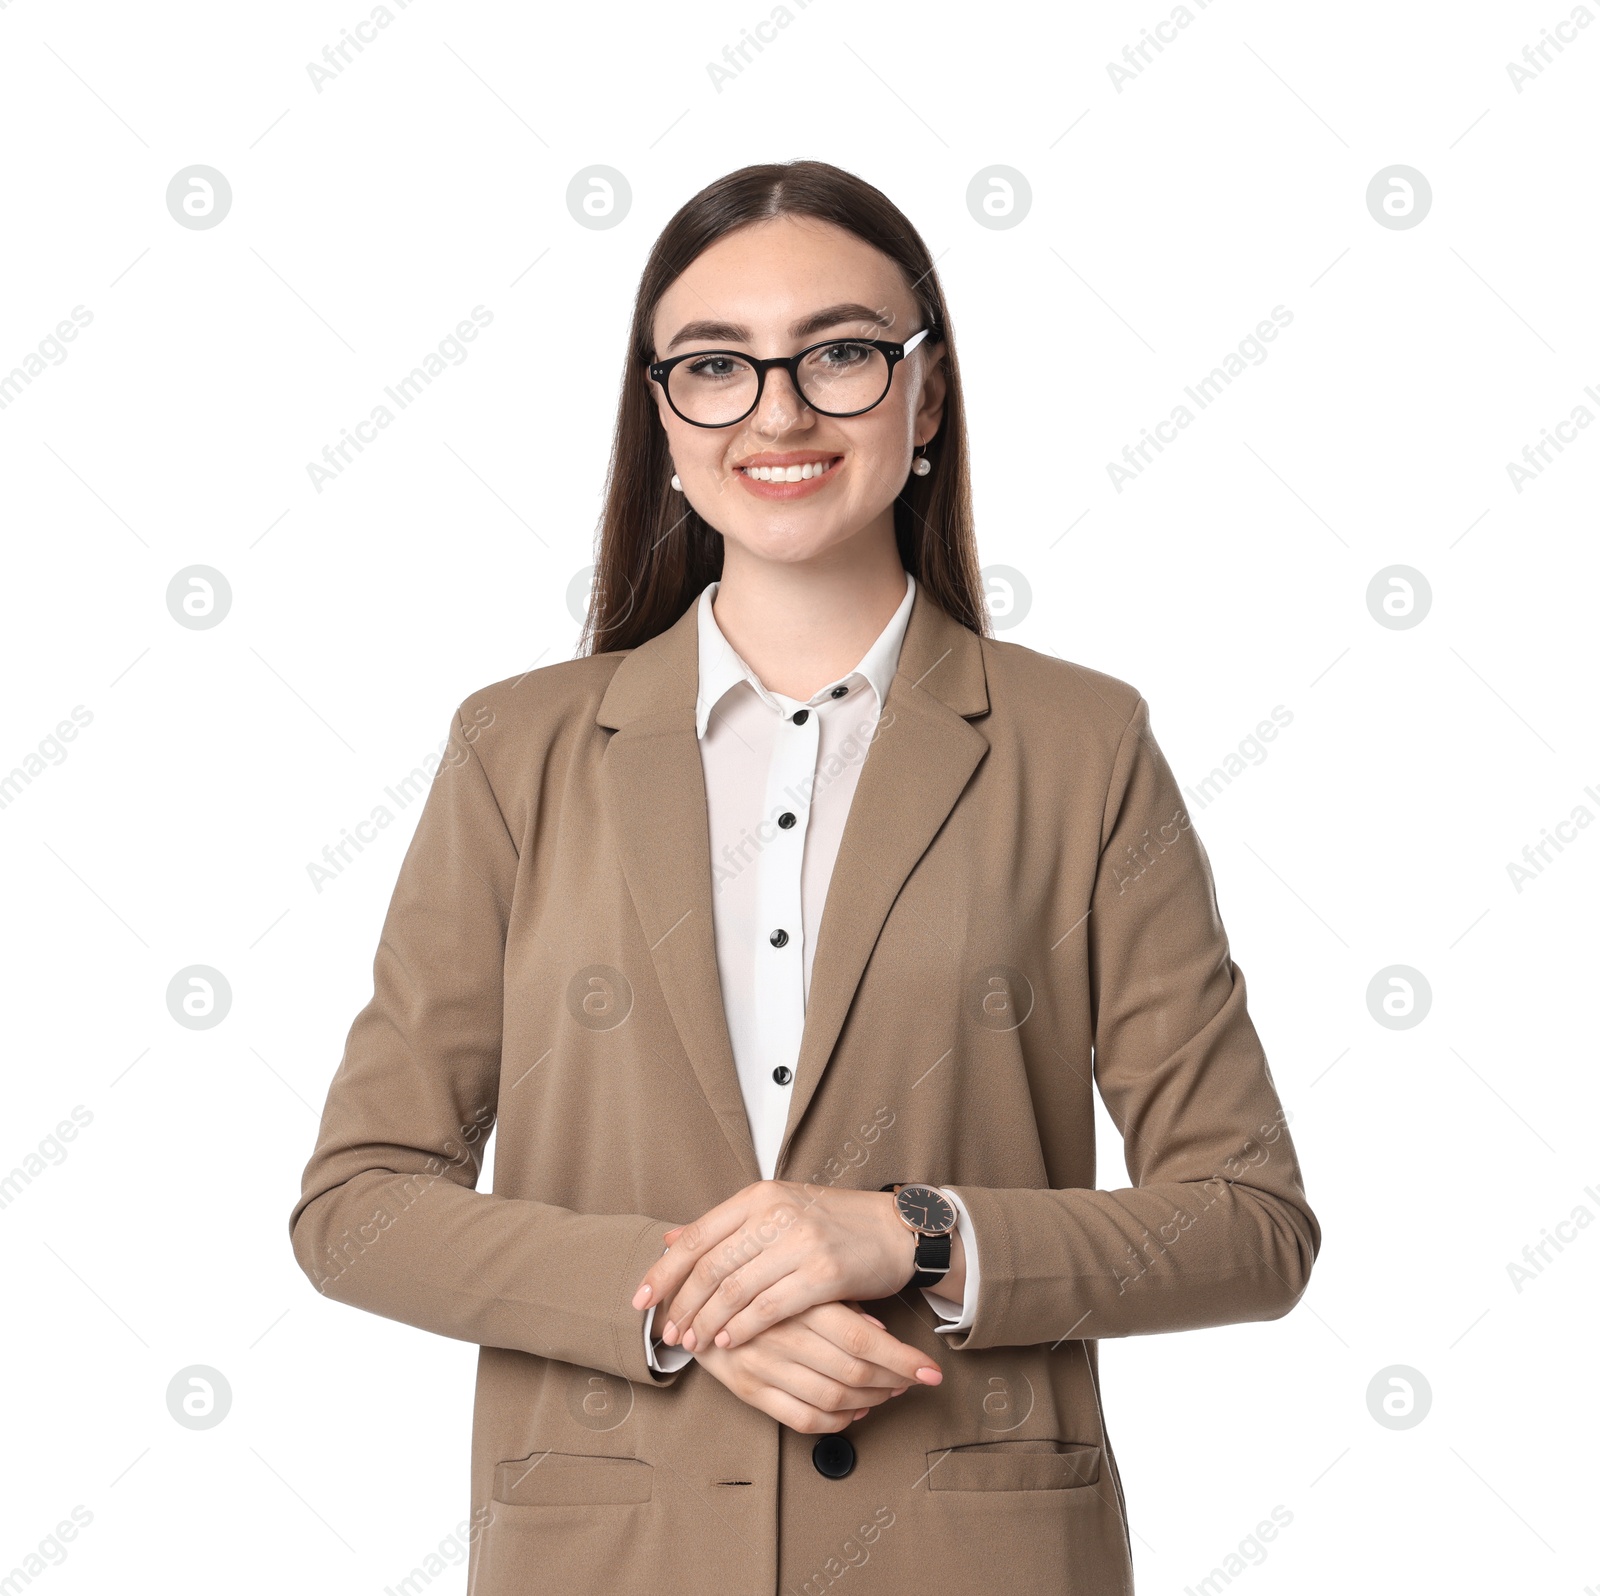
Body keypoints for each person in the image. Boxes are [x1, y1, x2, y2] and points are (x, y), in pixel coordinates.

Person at [290, 159, 1320, 1596]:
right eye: (715, 366)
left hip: (974, 1555)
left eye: (839, 354)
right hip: (611, 1551)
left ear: (928, 395)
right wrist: (690, 1302)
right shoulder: (515, 751)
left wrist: (911, 1235)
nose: (777, 411)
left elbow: (1248, 1223)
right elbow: (359, 1204)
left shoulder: (1084, 747)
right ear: (661, 415)